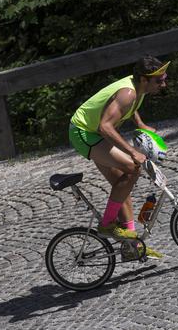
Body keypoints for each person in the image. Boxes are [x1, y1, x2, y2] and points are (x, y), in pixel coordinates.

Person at [68, 55, 169, 258]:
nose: (163, 84)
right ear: (144, 79)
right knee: (133, 169)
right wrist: (132, 152)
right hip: (84, 133)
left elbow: (130, 109)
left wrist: (140, 124)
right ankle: (107, 224)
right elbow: (105, 126)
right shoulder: (128, 93)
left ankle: (131, 246)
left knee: (122, 187)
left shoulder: (137, 90)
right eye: (159, 80)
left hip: (94, 133)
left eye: (164, 78)